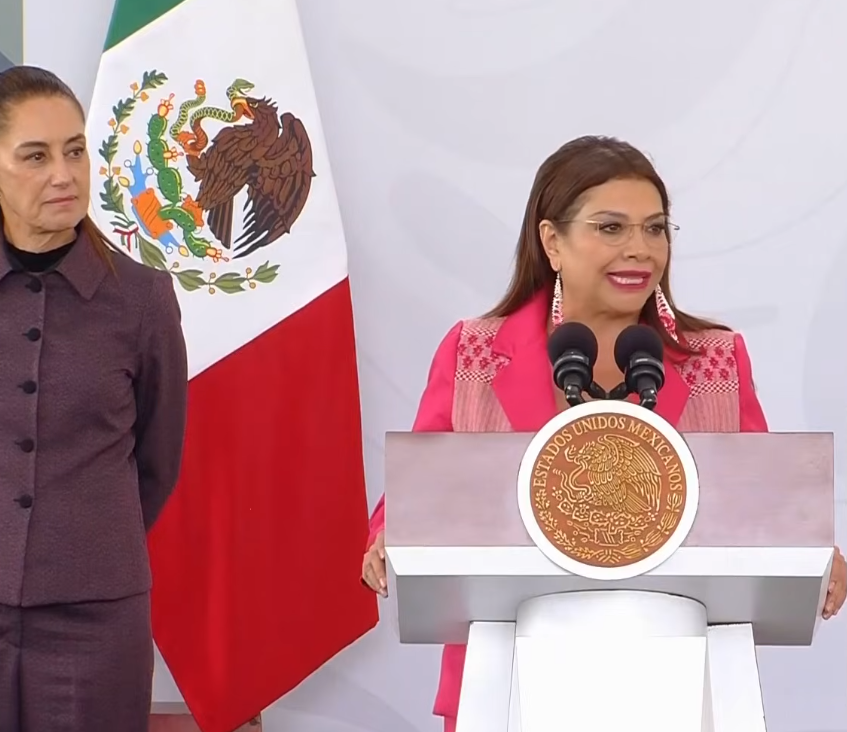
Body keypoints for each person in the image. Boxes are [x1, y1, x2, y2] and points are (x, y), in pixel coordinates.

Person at [359, 135, 847, 732]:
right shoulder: (474, 354)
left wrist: (813, 549)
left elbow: (764, 503)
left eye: (655, 229)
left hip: (678, 687)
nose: (640, 249)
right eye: (611, 228)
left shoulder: (716, 360)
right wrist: (390, 534)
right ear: (552, 242)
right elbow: (419, 493)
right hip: (505, 685)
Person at [0, 65, 188, 731]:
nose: (64, 175)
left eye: (75, 150)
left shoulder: (143, 299)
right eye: (35, 156)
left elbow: (157, 459)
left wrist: (83, 536)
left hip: (98, 608)